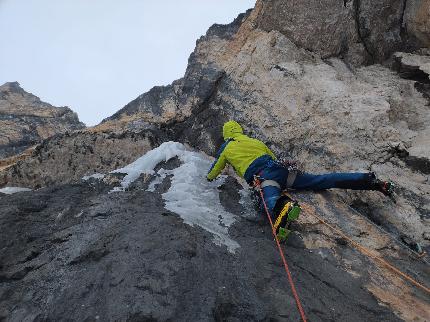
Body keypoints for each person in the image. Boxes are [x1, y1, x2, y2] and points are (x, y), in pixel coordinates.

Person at [207, 120, 394, 222]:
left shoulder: (228, 147)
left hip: (265, 176)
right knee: (324, 180)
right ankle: (368, 180)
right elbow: (272, 156)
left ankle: (285, 207)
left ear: (226, 134)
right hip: (283, 169)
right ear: (240, 130)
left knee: (269, 197)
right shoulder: (255, 141)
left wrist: (208, 178)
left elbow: (215, 169)